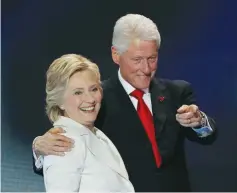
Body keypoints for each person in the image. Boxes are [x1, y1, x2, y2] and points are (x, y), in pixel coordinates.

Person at [33, 14, 217, 192]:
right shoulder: (95, 100)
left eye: (152, 58)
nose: (146, 69)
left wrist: (200, 121)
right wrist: (38, 148)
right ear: (115, 54)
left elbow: (208, 135)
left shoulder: (177, 92)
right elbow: (65, 145)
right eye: (137, 60)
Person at [41, 54, 135, 192]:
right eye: (78, 92)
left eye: (94, 89)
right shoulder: (64, 142)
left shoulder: (97, 134)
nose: (90, 99)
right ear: (59, 101)